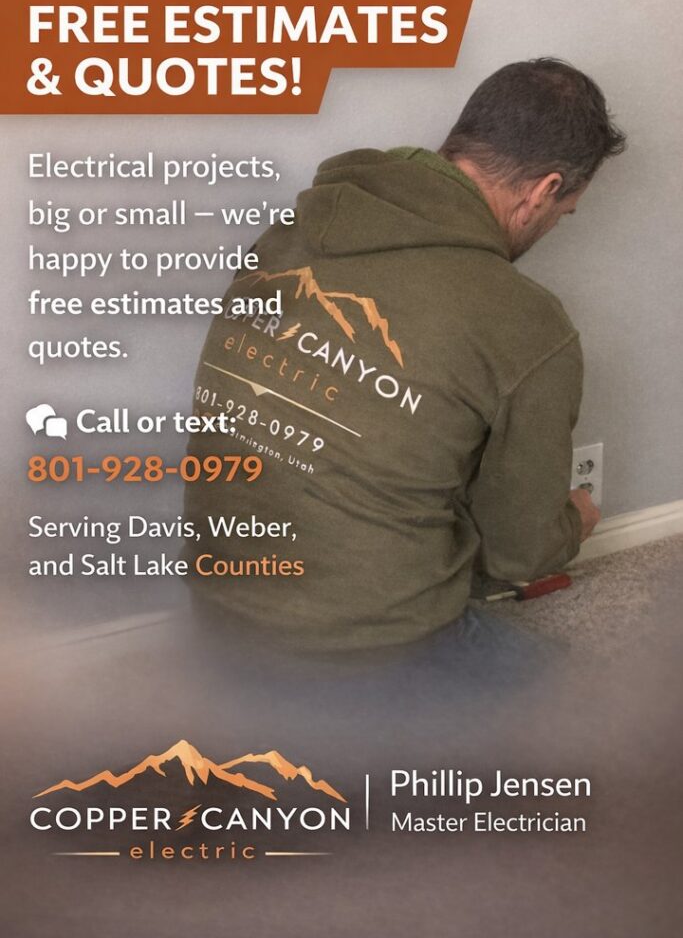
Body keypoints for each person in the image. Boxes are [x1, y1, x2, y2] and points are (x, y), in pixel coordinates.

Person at [184, 58, 625, 653]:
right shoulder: (530, 323)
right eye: (562, 213)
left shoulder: (295, 226)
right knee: (574, 691)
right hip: (369, 651)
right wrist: (574, 521)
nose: (553, 224)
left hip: (216, 610)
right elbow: (518, 553)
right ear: (545, 190)